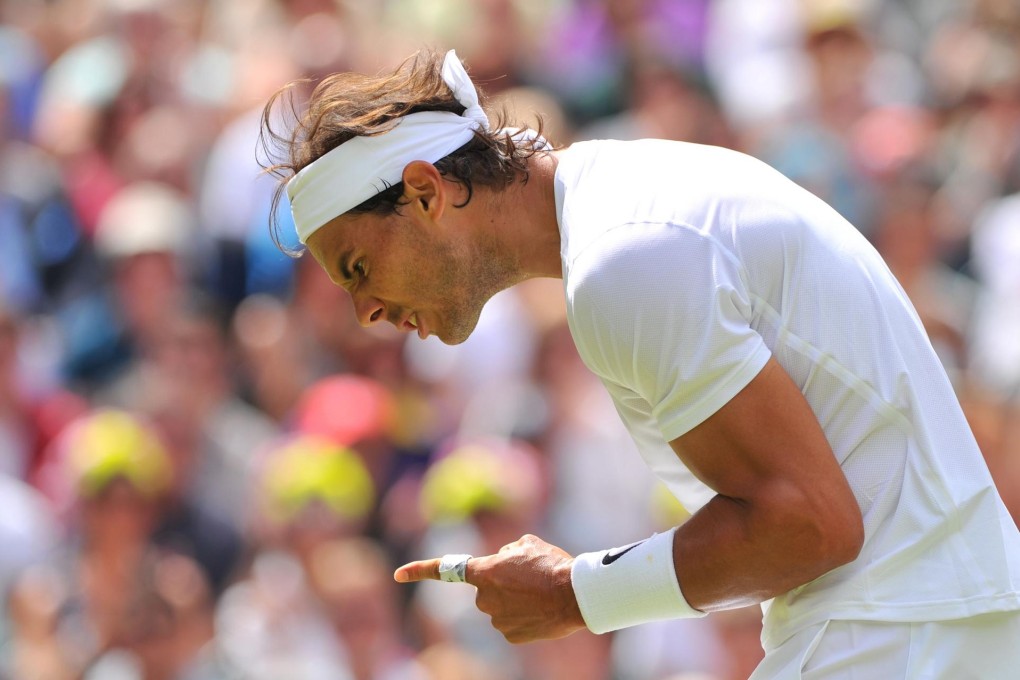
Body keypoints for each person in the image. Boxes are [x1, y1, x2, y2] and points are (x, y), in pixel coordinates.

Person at [259, 49, 1020, 678]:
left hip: (899, 633)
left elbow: (809, 528)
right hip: (922, 622)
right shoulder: (618, 210)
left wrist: (576, 595)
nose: (366, 315)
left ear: (425, 192)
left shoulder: (622, 260)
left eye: (358, 268)